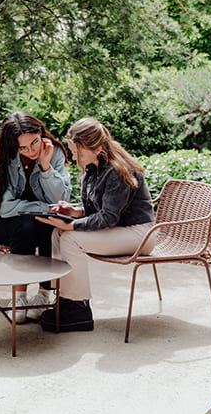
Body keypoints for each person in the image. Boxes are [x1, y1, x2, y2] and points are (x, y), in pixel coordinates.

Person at [35, 117, 156, 332]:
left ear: (97, 148)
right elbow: (99, 212)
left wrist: (71, 226)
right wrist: (74, 212)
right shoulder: (93, 168)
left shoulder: (117, 171)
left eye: (77, 152)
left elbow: (108, 217)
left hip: (140, 234)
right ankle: (64, 299)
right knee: (56, 233)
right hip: (119, 229)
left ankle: (78, 309)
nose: (74, 156)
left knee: (71, 238)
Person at [0, 111, 72, 323]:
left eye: (34, 143)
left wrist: (46, 166)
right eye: (23, 148)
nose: (31, 150)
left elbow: (60, 198)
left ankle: (44, 295)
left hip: (36, 223)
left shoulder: (54, 153)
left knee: (47, 224)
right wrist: (43, 207)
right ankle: (19, 298)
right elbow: (5, 208)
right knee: (26, 226)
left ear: (40, 133)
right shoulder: (0, 158)